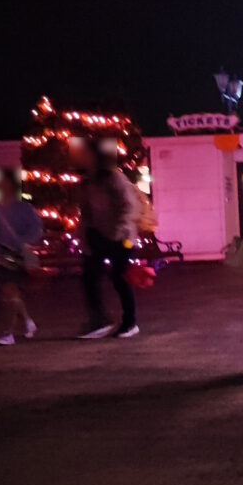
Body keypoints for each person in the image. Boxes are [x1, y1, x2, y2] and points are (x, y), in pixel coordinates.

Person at [78, 142, 142, 339]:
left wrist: (118, 231)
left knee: (120, 277)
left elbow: (129, 206)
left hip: (122, 237)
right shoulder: (88, 182)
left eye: (86, 154)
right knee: (90, 277)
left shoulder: (114, 177)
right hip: (99, 237)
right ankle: (100, 321)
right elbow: (86, 213)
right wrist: (86, 236)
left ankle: (130, 322)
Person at [0, 168, 43, 346]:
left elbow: (36, 229)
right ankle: (27, 322)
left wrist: (23, 242)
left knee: (9, 291)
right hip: (0, 256)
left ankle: (8, 333)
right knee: (10, 292)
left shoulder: (23, 208)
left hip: (17, 256)